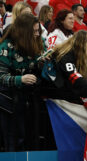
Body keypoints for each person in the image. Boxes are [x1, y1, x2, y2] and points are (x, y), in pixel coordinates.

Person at [0, 13, 44, 152]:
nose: (38, 34)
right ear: (25, 31)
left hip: (26, 100)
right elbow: (1, 77)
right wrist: (21, 79)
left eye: (38, 31)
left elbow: (33, 65)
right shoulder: (6, 47)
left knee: (27, 138)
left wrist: (42, 63)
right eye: (35, 31)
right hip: (7, 102)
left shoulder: (34, 43)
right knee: (11, 141)